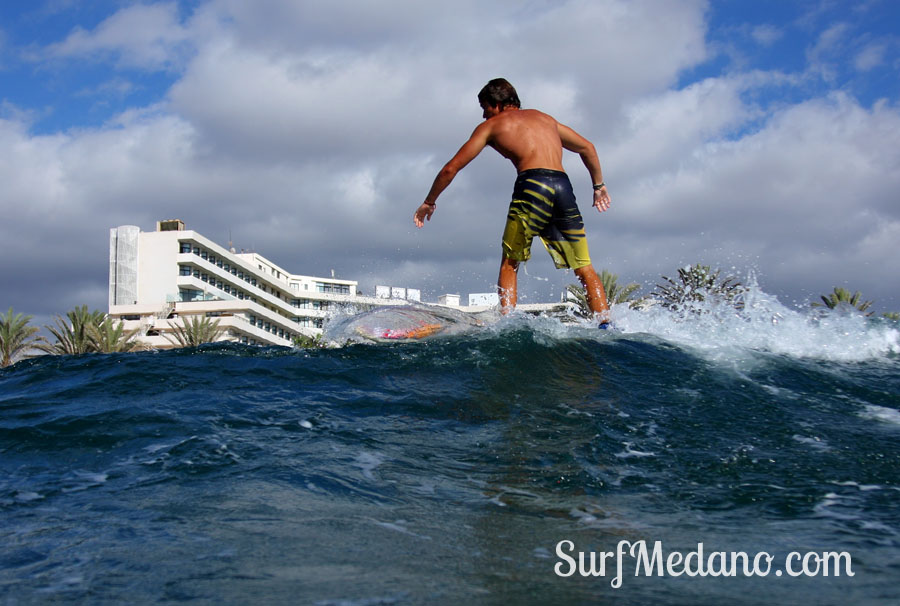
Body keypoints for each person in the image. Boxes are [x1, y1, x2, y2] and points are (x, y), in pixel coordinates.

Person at [414, 78, 612, 324]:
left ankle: (508, 324)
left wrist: (429, 201)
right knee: (584, 267)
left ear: (496, 104)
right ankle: (605, 323)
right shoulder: (546, 119)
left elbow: (450, 169)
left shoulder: (491, 126)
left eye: (484, 107)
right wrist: (598, 185)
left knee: (510, 262)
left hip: (532, 185)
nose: (483, 114)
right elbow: (588, 147)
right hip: (562, 186)